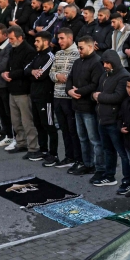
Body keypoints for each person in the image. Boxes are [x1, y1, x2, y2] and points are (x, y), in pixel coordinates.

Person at [92, 50, 130, 189]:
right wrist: (96, 95)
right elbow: (97, 92)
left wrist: (99, 97)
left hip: (115, 120)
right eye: (103, 62)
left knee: (123, 153)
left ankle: (128, 181)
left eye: (107, 62)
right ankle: (109, 176)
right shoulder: (104, 75)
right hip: (103, 119)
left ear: (114, 62)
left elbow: (118, 97)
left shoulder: (123, 76)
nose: (105, 65)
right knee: (108, 150)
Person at [66, 36, 105, 174]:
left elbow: (95, 84)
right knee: (82, 138)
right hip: (77, 106)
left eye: (81, 48)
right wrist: (69, 90)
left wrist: (77, 91)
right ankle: (87, 164)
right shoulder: (77, 62)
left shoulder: (97, 62)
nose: (79, 50)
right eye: (78, 47)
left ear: (90, 47)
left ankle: (100, 167)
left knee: (94, 139)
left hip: (89, 108)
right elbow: (69, 78)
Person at [4, 25, 41, 160]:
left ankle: (33, 147)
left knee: (27, 121)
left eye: (12, 38)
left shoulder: (29, 51)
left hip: (24, 91)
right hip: (12, 90)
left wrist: (11, 74)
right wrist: (6, 74)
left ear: (20, 37)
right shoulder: (13, 49)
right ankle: (21, 143)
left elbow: (25, 70)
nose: (10, 41)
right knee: (16, 121)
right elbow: (9, 65)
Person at [48, 28, 80, 170]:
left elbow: (77, 75)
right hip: (57, 96)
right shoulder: (58, 53)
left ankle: (79, 158)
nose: (59, 41)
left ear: (70, 38)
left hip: (70, 97)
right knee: (64, 129)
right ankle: (69, 156)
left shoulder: (77, 53)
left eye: (61, 38)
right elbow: (51, 72)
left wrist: (66, 79)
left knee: (74, 130)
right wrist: (57, 77)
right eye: (58, 39)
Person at [26, 32, 57, 162]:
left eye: (37, 41)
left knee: (48, 125)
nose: (35, 43)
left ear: (45, 42)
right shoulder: (38, 55)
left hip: (46, 97)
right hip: (35, 96)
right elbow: (26, 69)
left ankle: (53, 153)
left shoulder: (50, 56)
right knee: (38, 124)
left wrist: (33, 73)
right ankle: (43, 150)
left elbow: (41, 75)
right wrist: (32, 71)